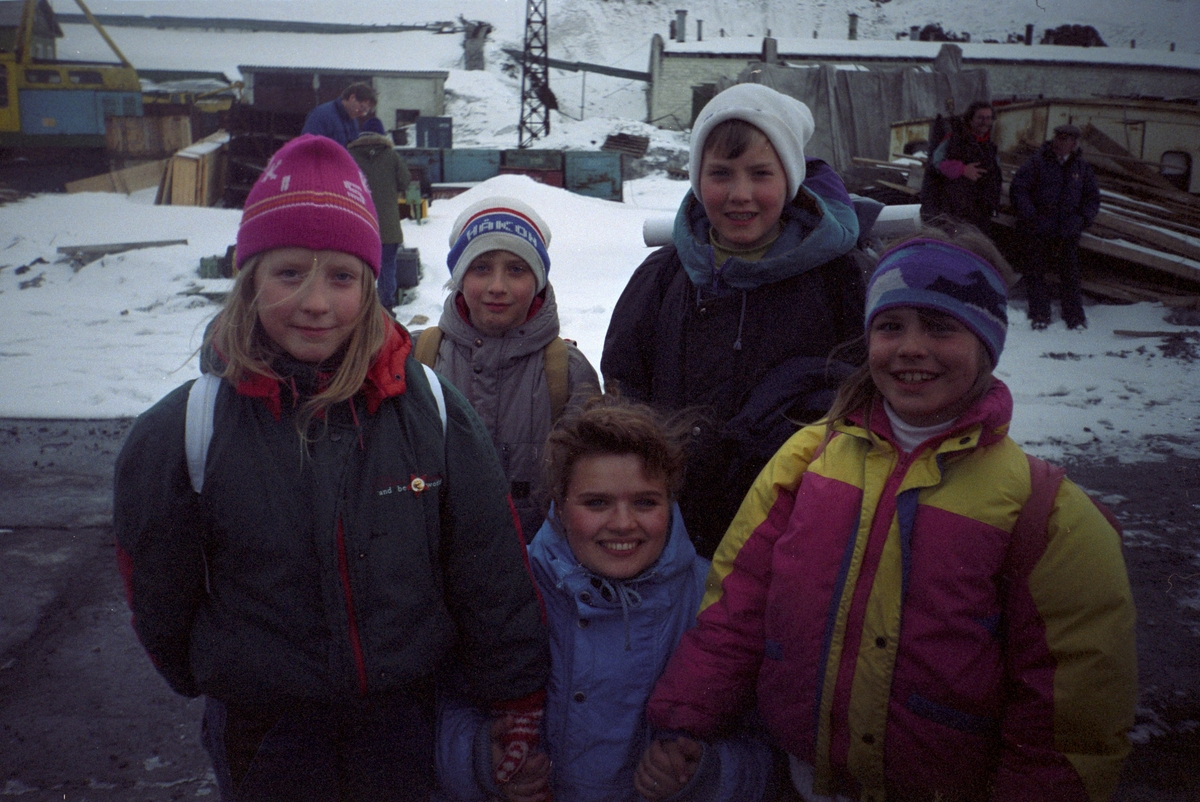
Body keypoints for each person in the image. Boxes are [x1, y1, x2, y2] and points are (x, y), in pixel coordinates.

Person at [113, 135, 549, 802]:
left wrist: (515, 693)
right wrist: (215, 670)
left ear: (372, 285)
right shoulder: (187, 429)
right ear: (249, 278)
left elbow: (488, 565)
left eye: (341, 277)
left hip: (401, 724)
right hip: (266, 730)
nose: (316, 303)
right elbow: (158, 586)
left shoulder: (429, 410)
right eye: (290, 272)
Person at [644, 230, 1138, 802]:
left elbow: (1070, 708)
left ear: (987, 344)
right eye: (890, 326)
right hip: (799, 780)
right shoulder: (807, 459)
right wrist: (686, 718)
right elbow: (738, 602)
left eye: (940, 326)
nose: (910, 347)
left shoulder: (1043, 510)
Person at [436, 393, 775, 802]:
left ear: (670, 503)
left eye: (645, 502)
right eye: (596, 503)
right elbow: (445, 707)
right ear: (559, 507)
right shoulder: (505, 588)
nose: (622, 523)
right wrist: (480, 759)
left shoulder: (716, 601)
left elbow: (767, 747)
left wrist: (705, 773)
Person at [601, 82, 870, 560]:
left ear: (789, 179)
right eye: (720, 173)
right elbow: (626, 386)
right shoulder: (665, 277)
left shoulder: (838, 280)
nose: (740, 194)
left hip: (798, 529)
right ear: (696, 178)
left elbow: (865, 396)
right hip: (680, 529)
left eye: (760, 174)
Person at [417, 196, 599, 538]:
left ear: (538, 280)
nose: (497, 287)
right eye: (481, 267)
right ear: (458, 275)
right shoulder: (417, 357)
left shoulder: (569, 372)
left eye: (516, 269)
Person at [1010, 123, 1101, 330]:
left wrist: (1082, 219)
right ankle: (1040, 314)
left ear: (1074, 143)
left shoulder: (1081, 168)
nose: (1060, 142)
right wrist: (1030, 216)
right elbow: (1019, 189)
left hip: (1068, 229)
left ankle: (1074, 317)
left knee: (1070, 274)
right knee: (1035, 271)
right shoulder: (1037, 163)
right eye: (1058, 138)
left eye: (1066, 139)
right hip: (1039, 227)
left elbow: (1092, 198)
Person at [348, 129, 412, 310]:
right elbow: (405, 181)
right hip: (388, 226)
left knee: (358, 270)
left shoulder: (349, 156)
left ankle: (359, 308)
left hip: (359, 226)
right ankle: (386, 308)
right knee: (387, 268)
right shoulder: (391, 155)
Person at [919, 101, 1002, 232]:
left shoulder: (990, 147)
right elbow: (936, 163)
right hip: (953, 210)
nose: (985, 122)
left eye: (988, 118)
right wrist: (962, 169)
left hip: (979, 212)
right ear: (970, 119)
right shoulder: (953, 140)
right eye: (980, 117)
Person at [301, 82, 377, 147]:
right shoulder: (321, 116)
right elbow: (308, 145)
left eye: (365, 111)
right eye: (361, 108)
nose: (361, 114)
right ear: (352, 98)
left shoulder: (353, 121)